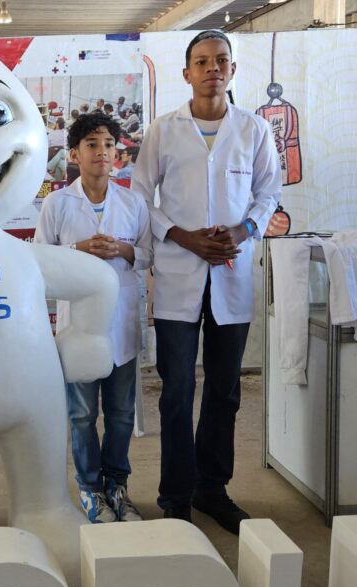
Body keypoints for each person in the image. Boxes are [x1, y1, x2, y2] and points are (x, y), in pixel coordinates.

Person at [132, 30, 281, 533]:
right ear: (187, 73)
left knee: (225, 391)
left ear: (232, 70)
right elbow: (140, 197)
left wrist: (242, 230)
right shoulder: (163, 131)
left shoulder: (254, 130)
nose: (212, 68)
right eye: (202, 61)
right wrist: (181, 236)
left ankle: (212, 490)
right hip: (178, 273)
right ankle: (176, 495)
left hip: (231, 274)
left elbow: (268, 193)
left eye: (221, 60)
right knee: (176, 390)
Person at [36, 111, 151, 524]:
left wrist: (123, 250)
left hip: (121, 325)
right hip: (79, 329)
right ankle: (90, 488)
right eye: (91, 145)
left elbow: (149, 254)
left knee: (121, 414)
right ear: (74, 154)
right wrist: (79, 250)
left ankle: (117, 485)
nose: (102, 152)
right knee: (82, 414)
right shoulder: (57, 203)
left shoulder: (133, 202)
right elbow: (40, 261)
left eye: (108, 145)